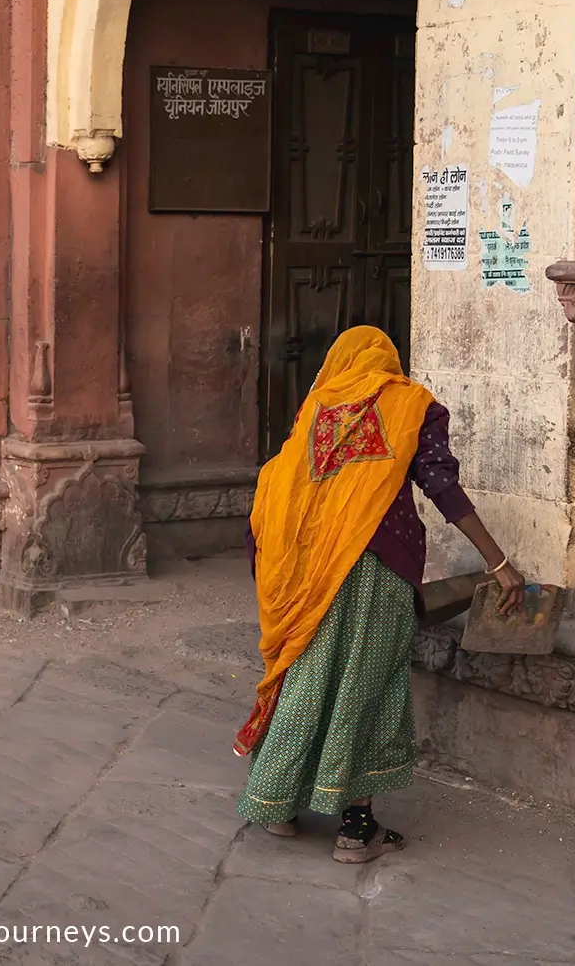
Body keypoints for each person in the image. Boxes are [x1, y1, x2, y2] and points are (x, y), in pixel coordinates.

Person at [235, 325, 525, 863]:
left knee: (306, 678)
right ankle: (355, 829)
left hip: (307, 571)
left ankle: (278, 807)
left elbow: (280, 483)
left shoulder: (316, 407)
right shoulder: (414, 406)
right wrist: (498, 561)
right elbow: (440, 484)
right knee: (367, 688)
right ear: (388, 362)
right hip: (376, 569)